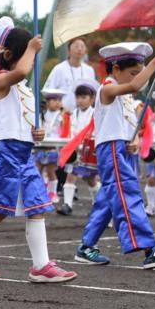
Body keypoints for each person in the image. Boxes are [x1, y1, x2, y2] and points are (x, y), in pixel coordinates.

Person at [0, 17, 77, 283]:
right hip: (5, 154)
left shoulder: (23, 89)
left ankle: (41, 266)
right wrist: (33, 48)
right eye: (26, 55)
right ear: (9, 55)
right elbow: (20, 72)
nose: (30, 62)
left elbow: (24, 117)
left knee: (38, 207)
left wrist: (36, 133)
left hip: (23, 153)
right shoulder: (1, 82)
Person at [74, 43, 155, 268]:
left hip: (118, 148)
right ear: (115, 69)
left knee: (108, 198)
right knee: (127, 193)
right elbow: (134, 85)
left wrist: (132, 141)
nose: (138, 77)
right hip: (111, 149)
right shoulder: (107, 88)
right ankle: (149, 249)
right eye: (134, 71)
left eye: (139, 70)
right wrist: (154, 63)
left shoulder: (124, 95)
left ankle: (86, 246)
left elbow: (126, 123)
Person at [60, 80, 101, 215]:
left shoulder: (96, 114)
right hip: (75, 151)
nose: (80, 100)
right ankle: (67, 204)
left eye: (84, 97)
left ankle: (99, 204)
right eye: (78, 97)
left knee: (90, 179)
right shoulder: (72, 114)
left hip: (88, 151)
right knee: (70, 175)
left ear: (93, 98)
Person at [45, 36, 97, 110]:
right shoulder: (59, 69)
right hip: (63, 114)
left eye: (82, 46)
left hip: (84, 114)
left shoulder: (89, 70)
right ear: (69, 50)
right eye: (76, 46)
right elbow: (49, 92)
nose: (79, 49)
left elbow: (93, 93)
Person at [36, 88, 68, 205]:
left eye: (59, 100)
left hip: (54, 145)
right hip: (42, 144)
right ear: (47, 101)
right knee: (38, 168)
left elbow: (64, 130)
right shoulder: (42, 115)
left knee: (50, 170)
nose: (57, 102)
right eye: (54, 100)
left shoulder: (62, 116)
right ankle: (39, 190)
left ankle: (52, 192)